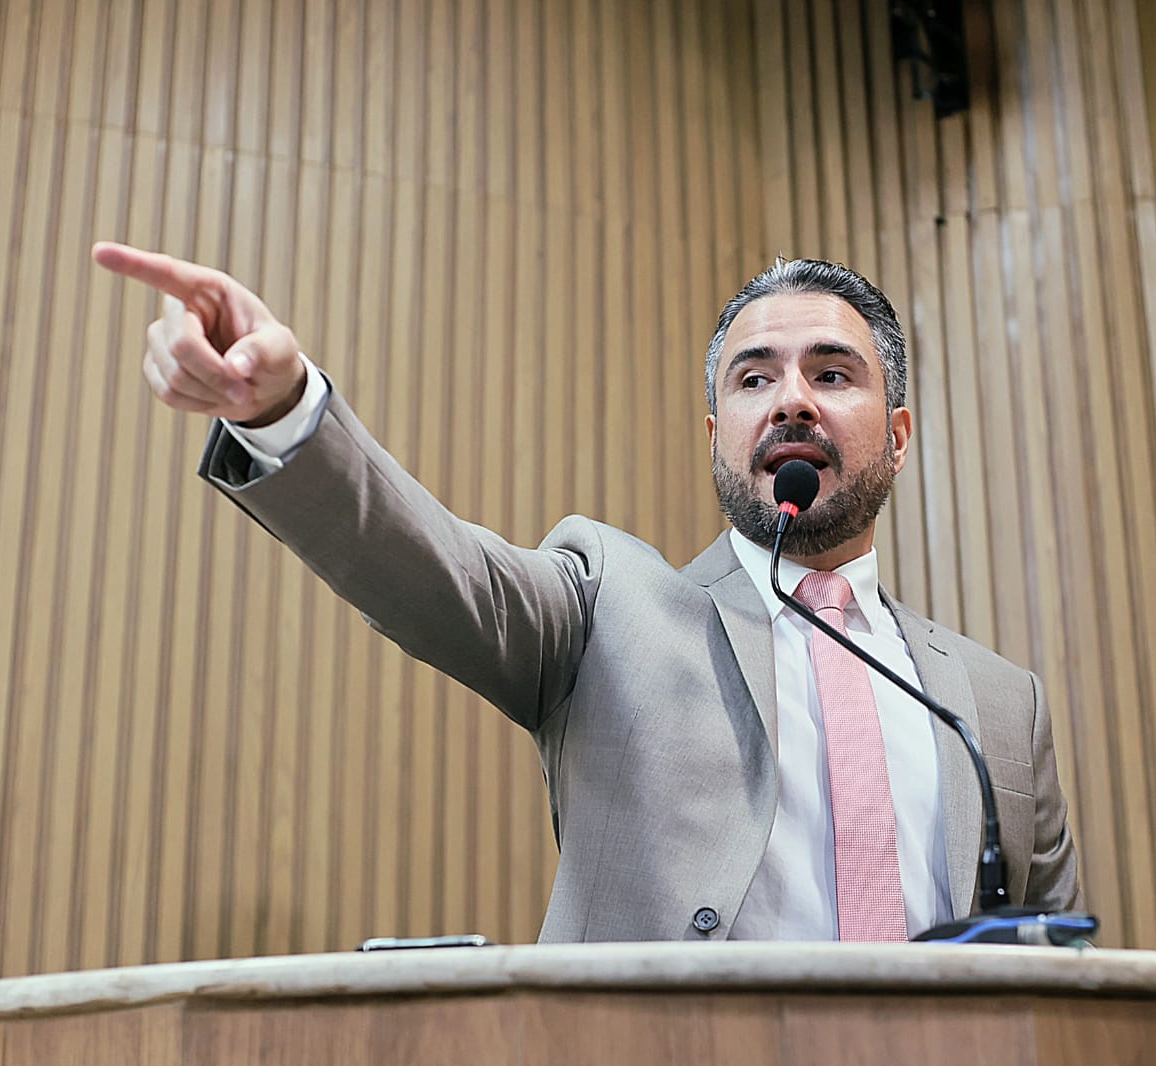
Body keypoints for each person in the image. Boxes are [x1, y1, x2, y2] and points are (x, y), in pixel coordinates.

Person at [92, 241, 1080, 943]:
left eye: (832, 374)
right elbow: (435, 569)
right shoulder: (610, 610)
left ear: (897, 436)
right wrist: (280, 408)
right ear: (717, 437)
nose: (791, 400)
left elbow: (1061, 976)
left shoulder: (998, 708)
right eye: (753, 380)